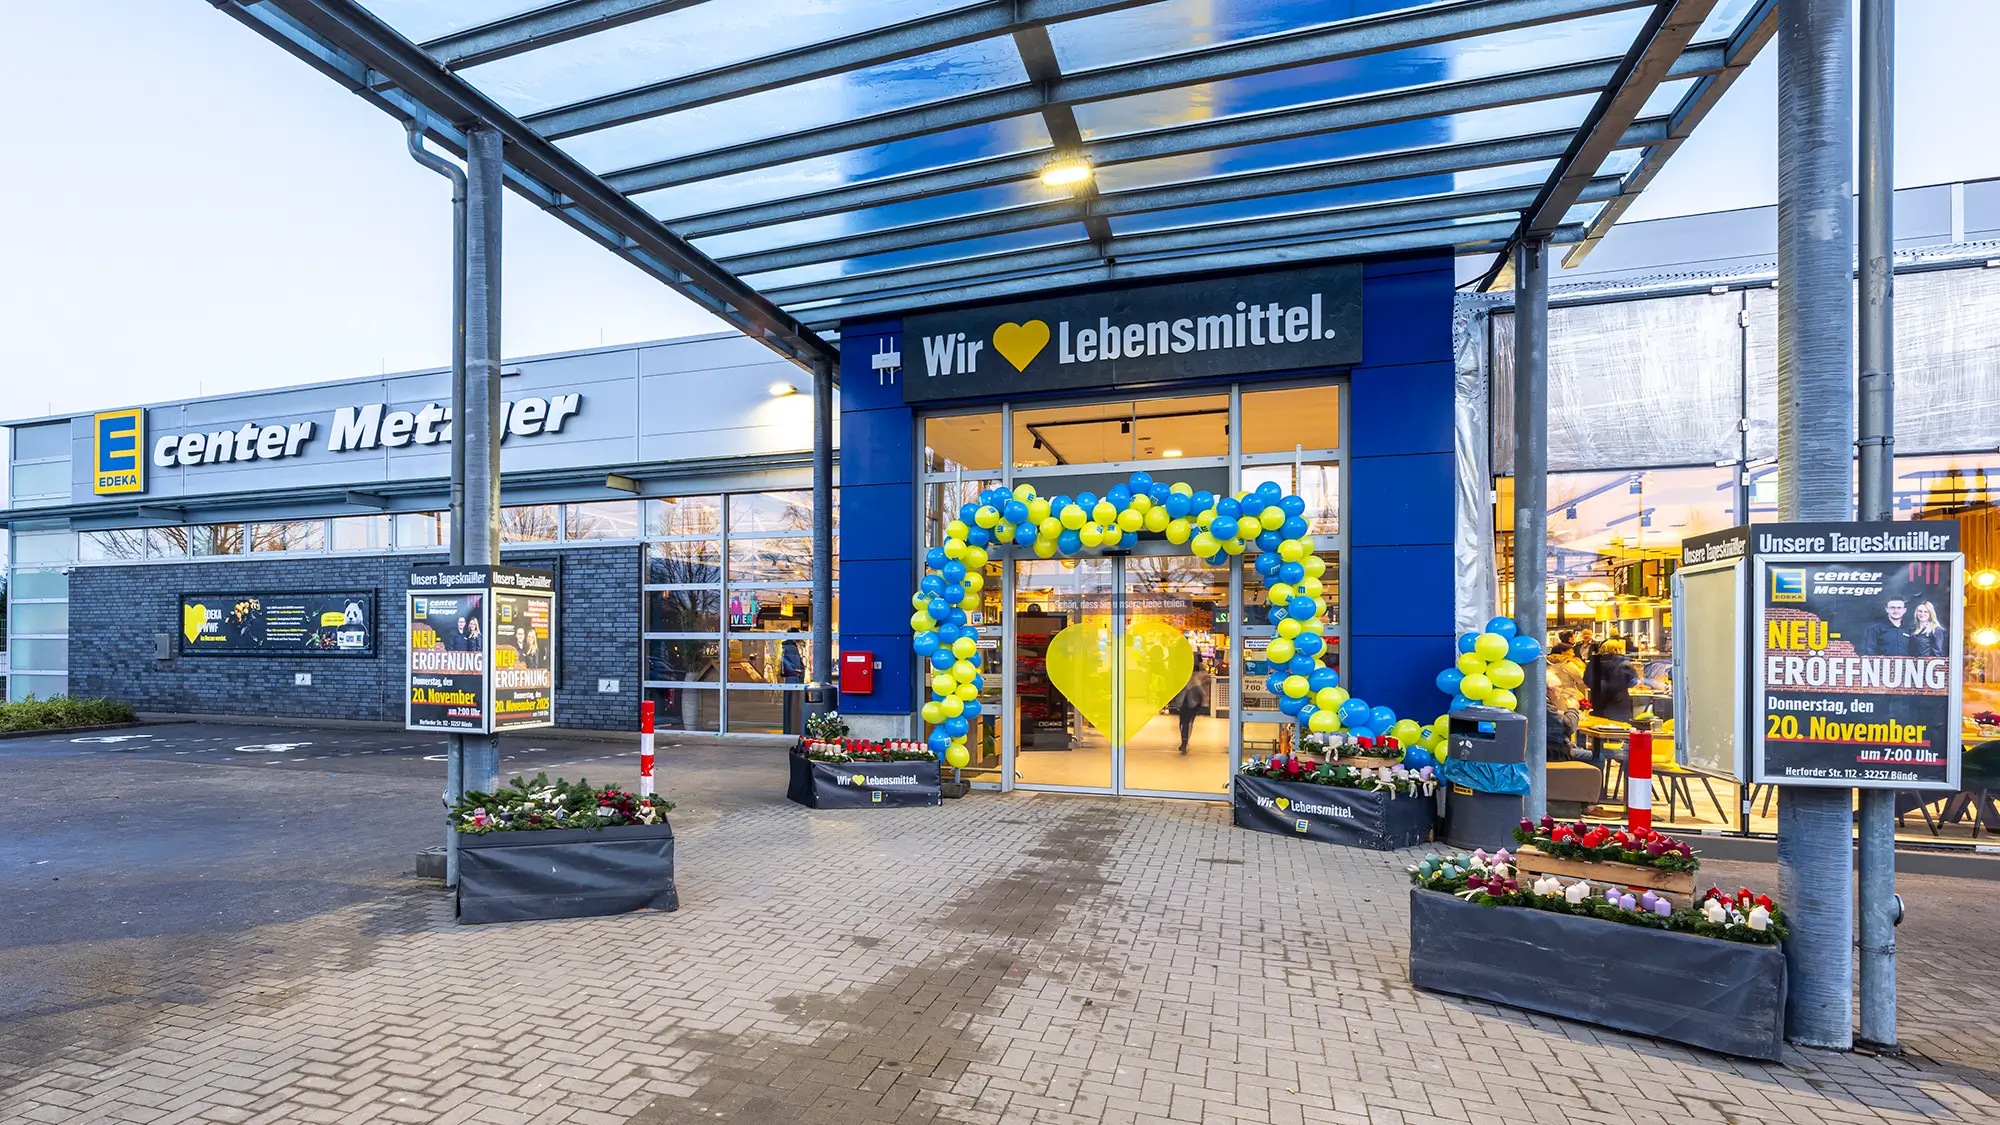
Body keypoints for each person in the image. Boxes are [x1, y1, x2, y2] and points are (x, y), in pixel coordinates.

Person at [1583, 637, 1640, 723]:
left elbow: (1587, 681)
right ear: (1619, 649)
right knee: (1621, 728)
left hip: (1598, 703)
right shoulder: (1624, 664)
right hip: (1619, 703)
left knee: (1598, 726)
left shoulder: (1593, 663)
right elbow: (1632, 682)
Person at [1171, 654, 1212, 755]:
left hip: (1190, 699)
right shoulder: (1196, 674)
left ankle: (1184, 742)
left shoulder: (1189, 673)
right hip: (1191, 699)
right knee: (1186, 722)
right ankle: (1184, 741)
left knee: (1185, 722)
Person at [780, 628, 806, 735]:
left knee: (788, 705)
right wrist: (801, 671)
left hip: (789, 680)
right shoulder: (791, 648)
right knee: (793, 705)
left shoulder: (786, 647)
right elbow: (796, 667)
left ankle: (788, 729)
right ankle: (792, 729)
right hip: (794, 680)